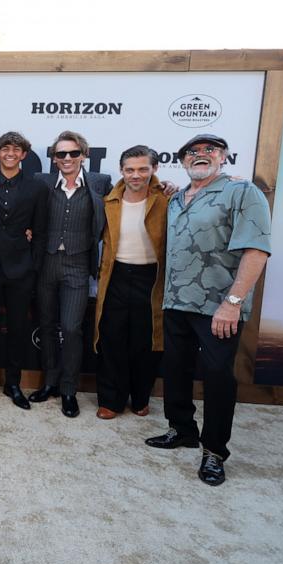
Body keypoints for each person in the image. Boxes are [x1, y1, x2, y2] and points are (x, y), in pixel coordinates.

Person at [145, 134, 271, 487]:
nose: (201, 155)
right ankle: (181, 429)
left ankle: (214, 451)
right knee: (176, 368)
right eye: (193, 152)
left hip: (218, 307)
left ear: (223, 157)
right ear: (183, 160)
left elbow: (256, 250)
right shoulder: (176, 199)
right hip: (175, 301)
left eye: (209, 151)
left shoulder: (242, 192)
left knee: (217, 377)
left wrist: (232, 304)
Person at [30, 131, 112, 418]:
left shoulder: (100, 183)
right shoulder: (41, 183)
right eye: (61, 154)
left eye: (73, 153)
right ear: (53, 158)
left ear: (84, 155)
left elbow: (132, 196)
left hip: (78, 266)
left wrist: (163, 187)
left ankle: (68, 389)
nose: (67, 159)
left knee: (72, 328)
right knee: (47, 325)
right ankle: (50, 382)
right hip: (46, 264)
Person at [0, 132, 48, 410]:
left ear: (24, 154)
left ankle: (13, 384)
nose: (10, 153)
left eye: (16, 149)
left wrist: (33, 264)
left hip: (20, 269)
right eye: (5, 149)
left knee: (17, 329)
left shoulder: (37, 188)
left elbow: (39, 232)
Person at [93, 146, 167, 419]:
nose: (136, 175)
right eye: (130, 170)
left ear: (154, 169)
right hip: (116, 276)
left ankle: (140, 398)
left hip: (151, 279)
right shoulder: (109, 201)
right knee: (111, 339)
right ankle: (111, 400)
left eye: (142, 169)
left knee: (145, 342)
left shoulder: (167, 200)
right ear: (121, 171)